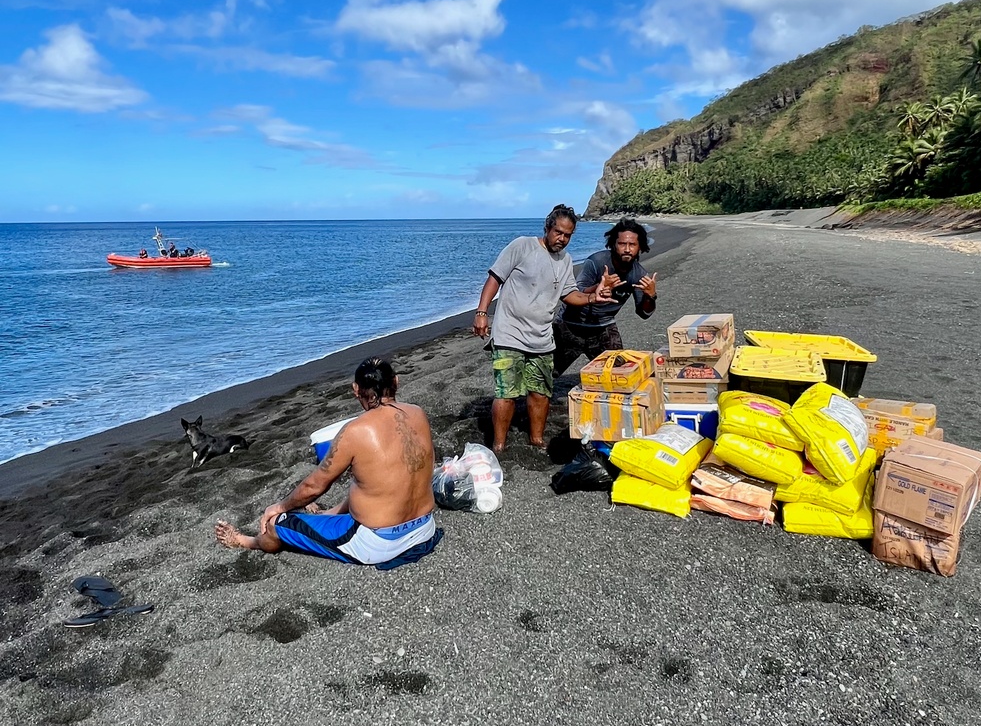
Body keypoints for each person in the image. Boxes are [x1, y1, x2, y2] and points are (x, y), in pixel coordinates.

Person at [214, 357, 441, 567]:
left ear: (356, 390)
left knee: (277, 524)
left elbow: (314, 487)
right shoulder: (418, 414)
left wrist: (279, 507)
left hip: (378, 544)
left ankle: (245, 541)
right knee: (370, 482)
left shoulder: (355, 431)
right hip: (424, 529)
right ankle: (328, 515)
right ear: (396, 382)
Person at [473, 204, 613, 452]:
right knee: (506, 392)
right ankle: (499, 445)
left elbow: (570, 294)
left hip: (542, 338)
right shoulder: (522, 246)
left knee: (540, 392)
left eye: (568, 235)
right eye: (558, 232)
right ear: (547, 228)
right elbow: (495, 278)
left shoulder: (566, 260)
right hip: (509, 333)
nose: (562, 239)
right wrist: (482, 312)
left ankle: (536, 440)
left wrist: (593, 297)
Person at [553, 218, 658, 376]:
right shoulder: (596, 262)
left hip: (603, 328)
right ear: (613, 244)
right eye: (622, 244)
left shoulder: (639, 274)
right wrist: (598, 288)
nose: (627, 249)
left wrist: (650, 296)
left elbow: (644, 313)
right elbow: (575, 291)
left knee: (620, 374)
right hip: (570, 324)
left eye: (632, 244)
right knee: (545, 376)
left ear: (640, 246)